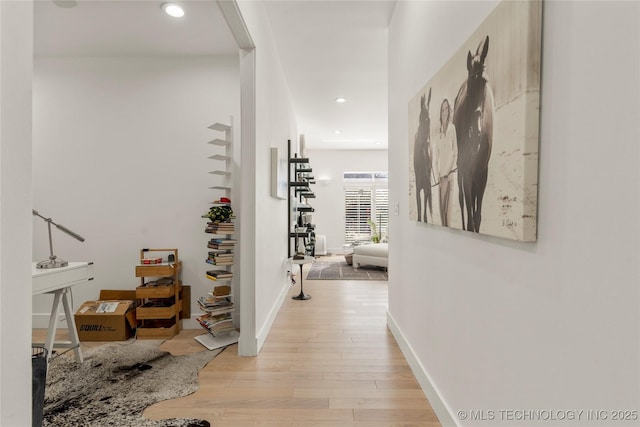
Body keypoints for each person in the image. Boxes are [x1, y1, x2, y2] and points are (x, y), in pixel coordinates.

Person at [433, 98, 458, 227]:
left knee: (448, 212)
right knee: (441, 210)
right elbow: (436, 156)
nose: (445, 112)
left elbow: (455, 152)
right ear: (440, 112)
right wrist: (438, 173)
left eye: (447, 108)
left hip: (449, 176)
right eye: (443, 109)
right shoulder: (438, 133)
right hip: (441, 176)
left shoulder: (452, 129)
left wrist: (451, 172)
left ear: (449, 110)